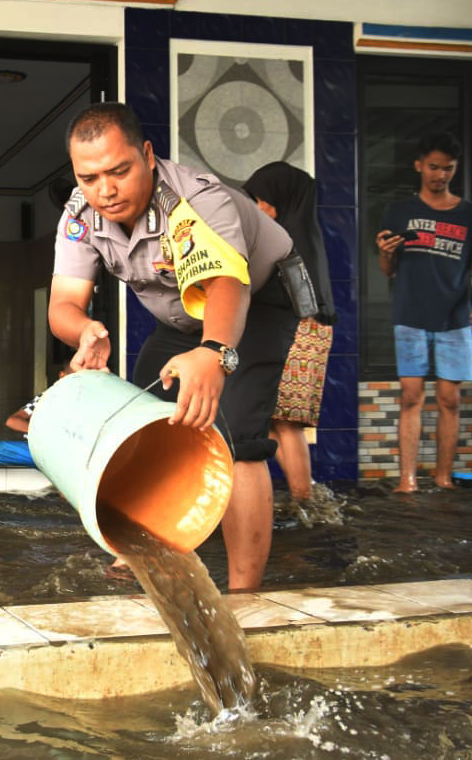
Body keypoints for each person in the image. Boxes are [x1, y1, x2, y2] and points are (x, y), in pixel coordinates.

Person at [49, 102, 298, 591]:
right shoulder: (79, 213)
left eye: (119, 171)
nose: (105, 190)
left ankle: (245, 594)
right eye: (90, 177)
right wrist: (85, 331)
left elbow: (227, 285)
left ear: (147, 154)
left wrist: (215, 354)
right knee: (141, 417)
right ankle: (146, 542)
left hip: (258, 298)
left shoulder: (196, 200)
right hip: (181, 314)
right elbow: (62, 303)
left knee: (241, 436)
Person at [376, 133, 472, 493]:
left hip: (455, 316)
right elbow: (387, 269)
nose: (440, 174)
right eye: (434, 167)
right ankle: (407, 479)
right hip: (409, 313)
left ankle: (442, 476)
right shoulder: (399, 211)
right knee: (411, 396)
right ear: (419, 165)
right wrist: (386, 252)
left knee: (450, 399)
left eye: (448, 169)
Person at [243, 162, 339, 502]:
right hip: (297, 332)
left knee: (286, 423)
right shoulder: (295, 234)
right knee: (276, 420)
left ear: (282, 198)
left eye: (262, 199)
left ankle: (305, 502)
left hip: (302, 333)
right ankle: (304, 500)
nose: (257, 208)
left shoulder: (291, 238)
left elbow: (298, 300)